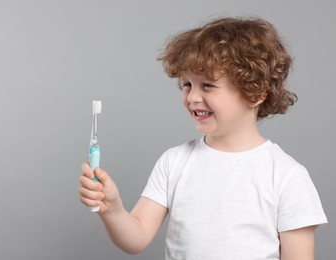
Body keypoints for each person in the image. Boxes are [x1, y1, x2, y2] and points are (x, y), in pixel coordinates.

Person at [79, 17, 328, 260]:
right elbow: (137, 237)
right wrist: (112, 209)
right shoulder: (174, 162)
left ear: (255, 93)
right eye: (187, 84)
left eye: (207, 85)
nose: (192, 97)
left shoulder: (287, 176)